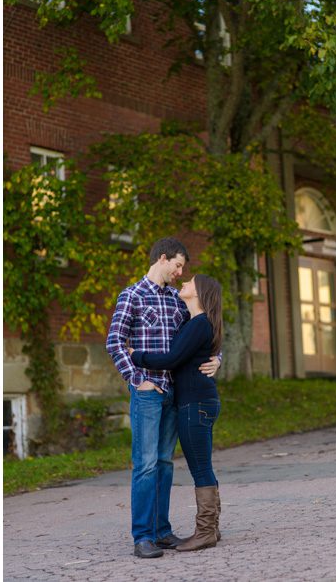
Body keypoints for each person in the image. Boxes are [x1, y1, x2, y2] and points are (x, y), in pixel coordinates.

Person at [106, 237, 220, 559]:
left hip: (174, 393)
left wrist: (219, 358)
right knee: (145, 465)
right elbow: (115, 342)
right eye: (178, 265)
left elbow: (203, 328)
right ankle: (142, 536)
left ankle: (161, 530)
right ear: (163, 258)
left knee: (166, 464)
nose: (181, 273)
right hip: (147, 394)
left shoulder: (175, 300)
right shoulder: (132, 296)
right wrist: (137, 380)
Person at [130, 274, 223, 552]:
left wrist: (136, 355)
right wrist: (217, 357)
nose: (183, 280)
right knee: (202, 465)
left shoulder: (198, 324)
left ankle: (205, 531)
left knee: (200, 467)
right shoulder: (193, 321)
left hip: (195, 404)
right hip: (198, 402)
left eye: (190, 280)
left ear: (199, 292)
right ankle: (212, 528)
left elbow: (171, 359)